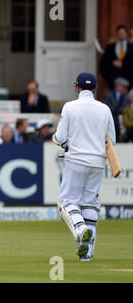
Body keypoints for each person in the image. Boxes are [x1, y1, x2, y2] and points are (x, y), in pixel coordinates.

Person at [53, 72, 115, 261]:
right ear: (95, 89)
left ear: (78, 88)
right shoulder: (104, 109)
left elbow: (61, 137)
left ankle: (81, 230)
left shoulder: (70, 107)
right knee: (89, 203)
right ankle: (86, 253)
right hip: (97, 162)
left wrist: (64, 144)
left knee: (66, 202)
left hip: (76, 160)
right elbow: (110, 139)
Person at [100, 25, 133, 90]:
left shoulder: (131, 47)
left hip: (129, 80)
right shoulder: (110, 47)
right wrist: (112, 63)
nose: (121, 35)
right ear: (117, 34)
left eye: (123, 33)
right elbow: (104, 62)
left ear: (126, 34)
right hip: (113, 80)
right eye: (119, 33)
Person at [101, 77, 130, 142]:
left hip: (121, 120)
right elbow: (105, 108)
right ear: (118, 87)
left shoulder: (127, 97)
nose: (126, 90)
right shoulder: (107, 96)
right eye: (124, 87)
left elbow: (126, 108)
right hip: (110, 119)